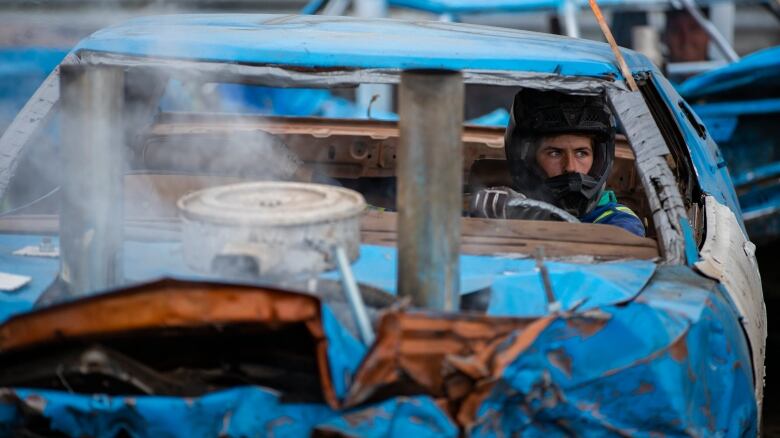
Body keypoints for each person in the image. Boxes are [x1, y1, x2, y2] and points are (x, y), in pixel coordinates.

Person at [471, 89, 645, 237]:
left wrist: (535, 217)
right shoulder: (500, 208)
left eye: (581, 153)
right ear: (528, 160)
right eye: (555, 153)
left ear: (599, 159)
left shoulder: (618, 220)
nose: (570, 167)